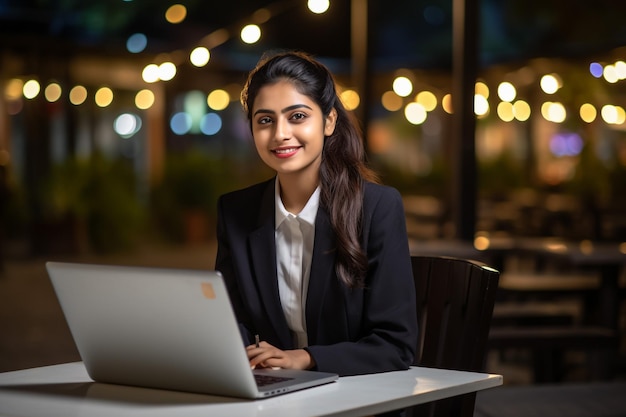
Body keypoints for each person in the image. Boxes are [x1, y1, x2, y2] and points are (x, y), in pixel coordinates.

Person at [215, 50, 418, 378]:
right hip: (272, 394)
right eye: (265, 120)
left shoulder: (377, 208)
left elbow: (395, 345)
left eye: (297, 116)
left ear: (328, 121)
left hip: (359, 397)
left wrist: (305, 359)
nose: (280, 133)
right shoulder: (235, 211)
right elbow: (231, 321)